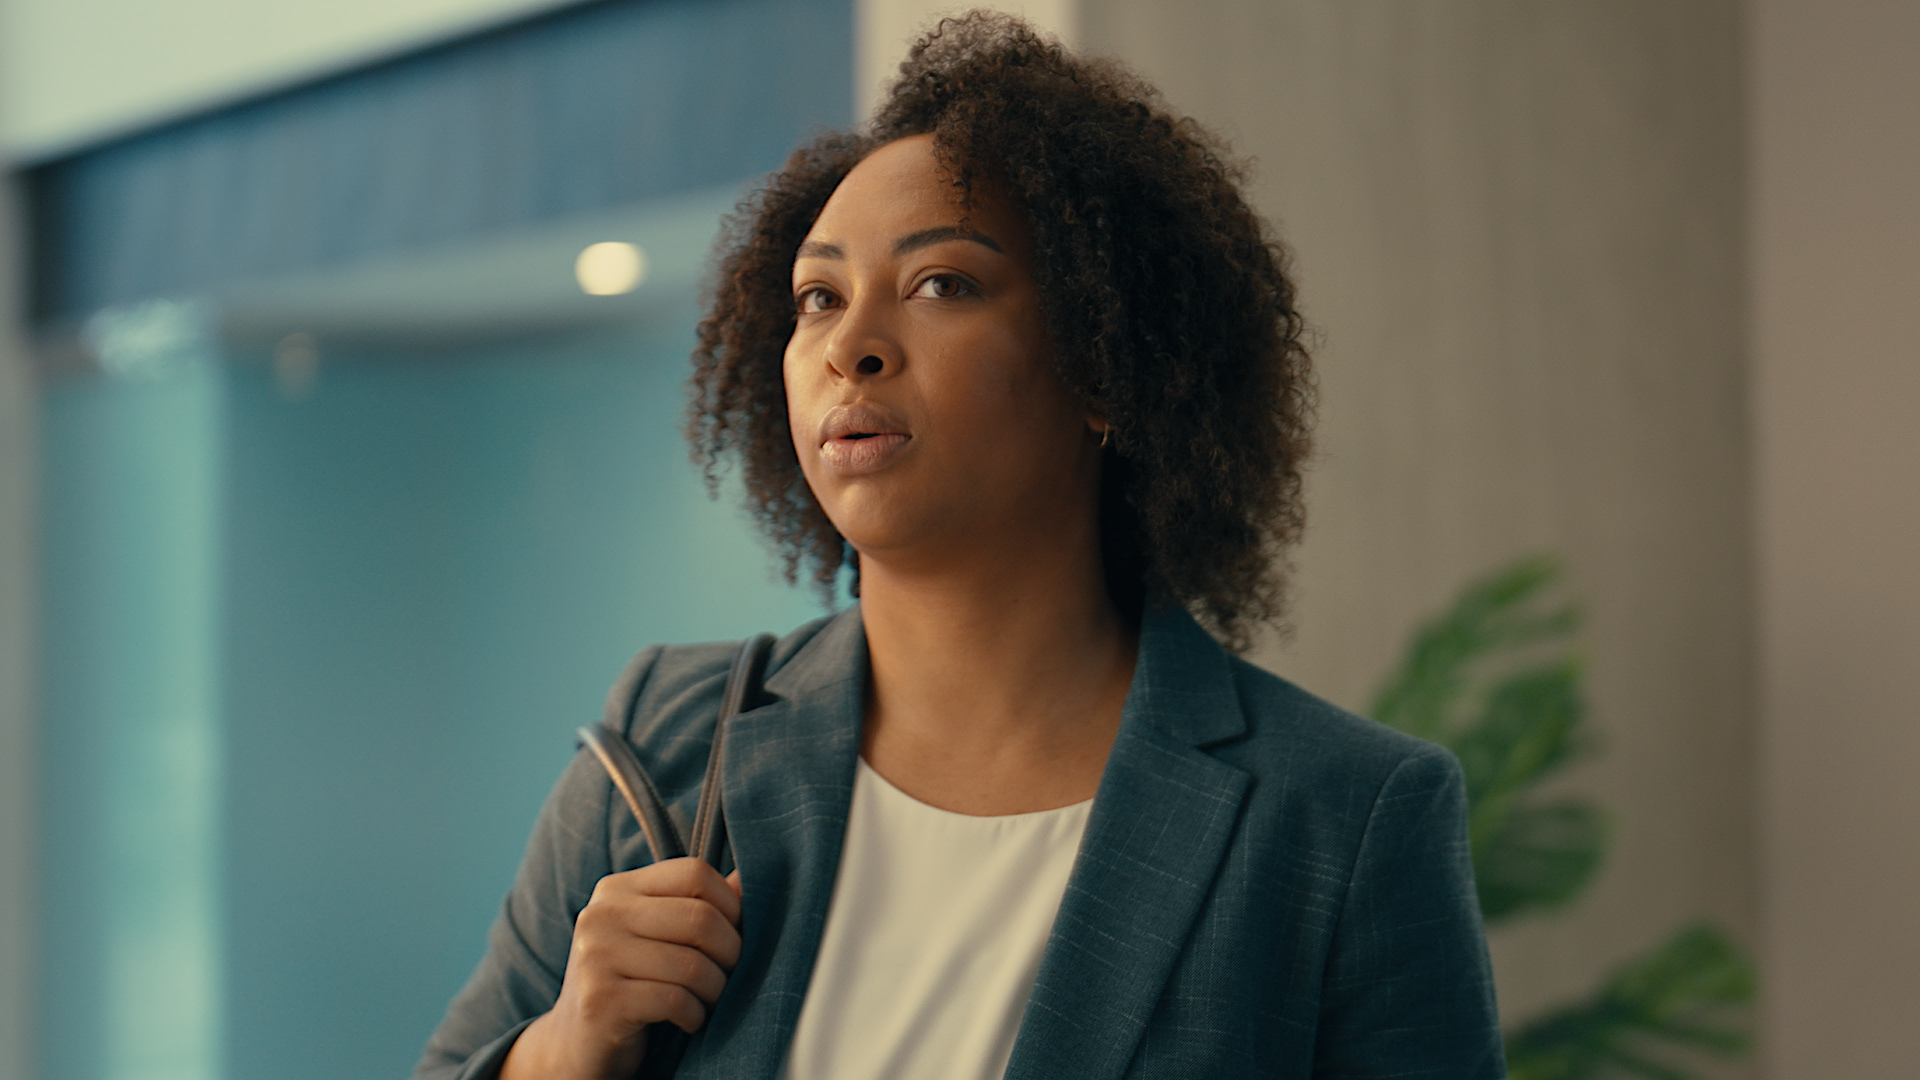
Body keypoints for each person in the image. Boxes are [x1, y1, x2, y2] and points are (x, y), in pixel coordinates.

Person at [414, 13, 1503, 1080]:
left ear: (1104, 363)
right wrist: (560, 1053)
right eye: (818, 297)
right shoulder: (664, 743)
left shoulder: (1344, 817)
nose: (849, 346)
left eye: (943, 283)